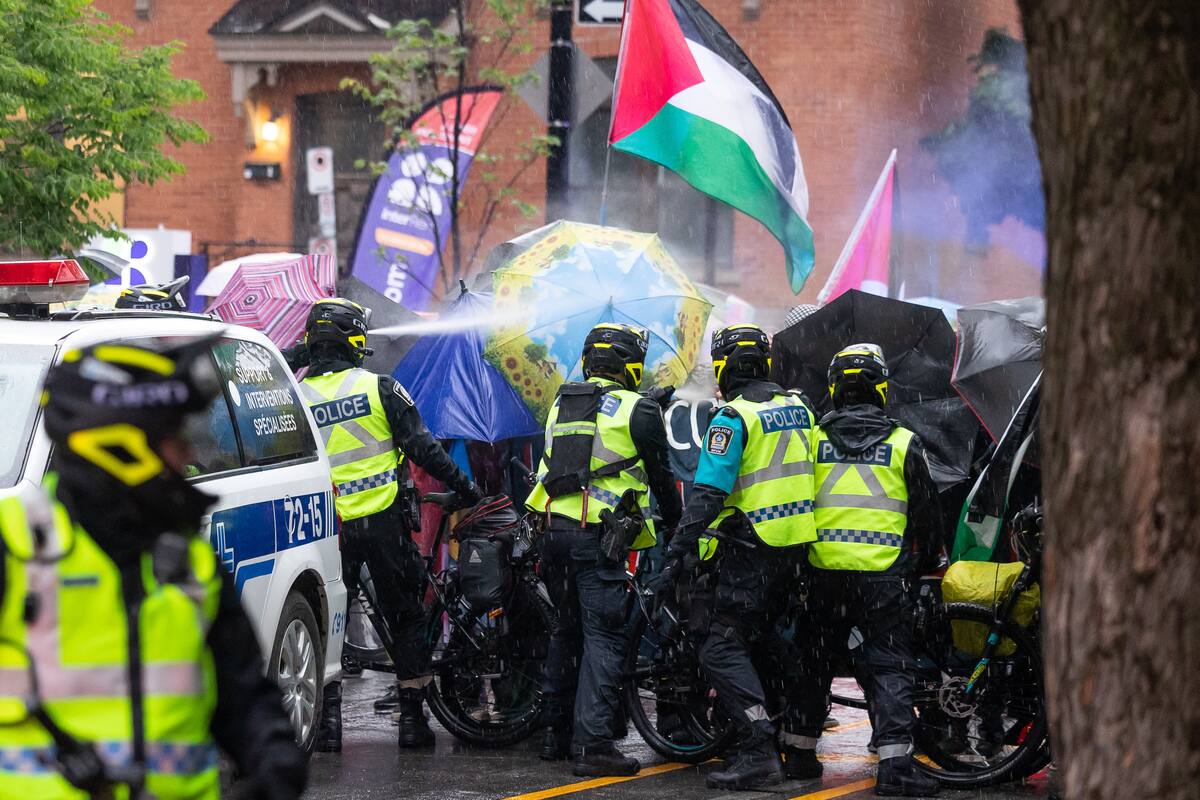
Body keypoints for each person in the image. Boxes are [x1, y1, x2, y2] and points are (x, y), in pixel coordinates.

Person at [0, 340, 306, 799]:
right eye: (175, 440)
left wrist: (275, 759)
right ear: (120, 447)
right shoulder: (14, 546)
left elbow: (242, 693)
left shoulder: (190, 562)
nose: (188, 456)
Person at [295, 297, 480, 752]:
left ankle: (328, 725)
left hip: (327, 529)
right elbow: (424, 449)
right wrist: (467, 488)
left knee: (328, 621)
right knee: (406, 617)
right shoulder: (380, 387)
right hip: (382, 522)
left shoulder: (295, 398)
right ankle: (412, 721)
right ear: (354, 340)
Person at [658, 323, 819, 790]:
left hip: (750, 552)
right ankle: (794, 743)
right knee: (769, 643)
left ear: (724, 367)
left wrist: (675, 554)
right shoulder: (799, 408)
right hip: (795, 550)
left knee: (719, 646)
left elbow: (708, 495)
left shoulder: (732, 418)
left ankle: (757, 749)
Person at [525, 323, 682, 777]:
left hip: (554, 532)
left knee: (566, 631)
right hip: (598, 539)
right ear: (630, 365)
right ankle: (594, 744)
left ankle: (555, 735)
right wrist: (677, 529)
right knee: (604, 637)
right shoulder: (638, 408)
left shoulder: (561, 403)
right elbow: (661, 478)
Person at [793, 344, 943, 797]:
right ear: (881, 390)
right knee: (889, 666)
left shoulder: (811, 440)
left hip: (822, 574)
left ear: (834, 389)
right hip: (883, 577)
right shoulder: (904, 442)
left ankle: (798, 755)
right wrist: (920, 567)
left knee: (813, 663)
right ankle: (894, 767)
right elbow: (927, 518)